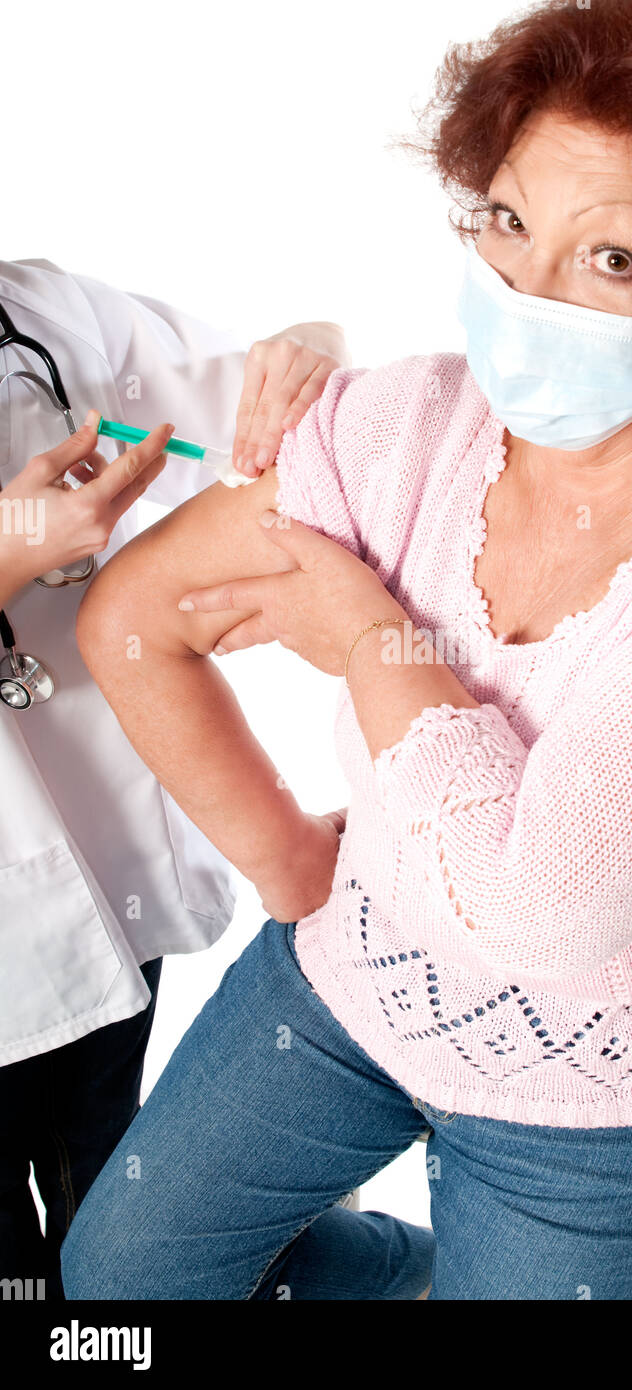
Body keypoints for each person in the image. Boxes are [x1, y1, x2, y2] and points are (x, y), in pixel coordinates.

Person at [62, 0, 632, 1300]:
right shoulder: (401, 425)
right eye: (506, 223)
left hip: (611, 1099)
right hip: (354, 985)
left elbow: (543, 912)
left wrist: (364, 633)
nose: (527, 293)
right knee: (121, 1274)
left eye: (609, 258)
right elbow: (134, 616)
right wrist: (284, 861)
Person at [0, 254, 350, 1300]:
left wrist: (309, 356)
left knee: (132, 1257)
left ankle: (375, 1273)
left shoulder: (39, 311)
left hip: (103, 898)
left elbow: (261, 409)